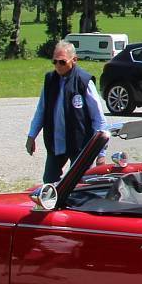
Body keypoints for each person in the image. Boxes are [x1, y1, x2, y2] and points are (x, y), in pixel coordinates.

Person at [25, 40, 109, 184]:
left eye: (62, 62)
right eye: (55, 61)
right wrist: (31, 136)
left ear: (74, 60)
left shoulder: (83, 81)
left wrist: (101, 152)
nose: (58, 65)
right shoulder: (50, 80)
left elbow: (99, 119)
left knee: (78, 183)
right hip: (56, 143)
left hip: (80, 145)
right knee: (49, 182)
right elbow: (41, 111)